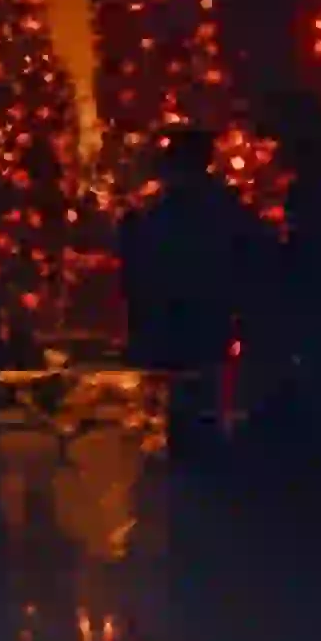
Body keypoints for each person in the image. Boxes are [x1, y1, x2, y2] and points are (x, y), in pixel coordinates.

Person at [118, 130, 262, 465]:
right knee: (201, 387)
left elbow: (137, 259)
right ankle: (200, 450)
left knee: (186, 387)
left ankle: (190, 451)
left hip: (175, 312)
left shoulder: (157, 210)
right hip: (207, 311)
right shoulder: (222, 205)